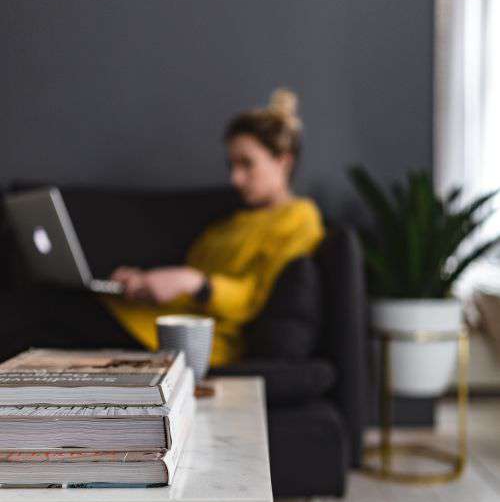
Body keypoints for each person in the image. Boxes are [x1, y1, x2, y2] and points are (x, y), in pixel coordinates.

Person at [1, 89, 325, 366]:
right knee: (42, 301)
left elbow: (254, 297)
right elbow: (185, 286)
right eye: (232, 165)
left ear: (283, 160)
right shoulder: (234, 220)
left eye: (247, 164)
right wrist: (144, 284)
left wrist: (194, 282)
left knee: (40, 311)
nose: (235, 178)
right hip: (153, 316)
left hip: (200, 338)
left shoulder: (299, 218)